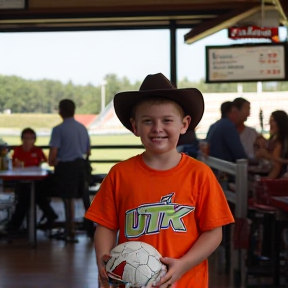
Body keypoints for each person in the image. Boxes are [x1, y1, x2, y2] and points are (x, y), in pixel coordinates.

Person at [85, 73, 234, 288]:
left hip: (186, 282)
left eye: (167, 120)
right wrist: (104, 259)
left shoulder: (199, 174)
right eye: (148, 121)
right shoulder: (120, 174)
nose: (157, 128)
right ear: (135, 126)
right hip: (130, 282)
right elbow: (106, 227)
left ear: (184, 125)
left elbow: (213, 232)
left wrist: (183, 264)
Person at [48, 99, 91, 243]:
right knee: (83, 197)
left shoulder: (58, 129)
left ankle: (70, 229)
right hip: (80, 166)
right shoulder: (82, 128)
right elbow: (87, 150)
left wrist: (52, 161)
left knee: (68, 199)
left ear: (61, 111)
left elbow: (53, 153)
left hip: (65, 167)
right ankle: (89, 227)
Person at [3, 128, 58, 232]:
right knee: (30, 196)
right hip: (22, 180)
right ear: (22, 139)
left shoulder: (38, 151)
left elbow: (45, 163)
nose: (27, 141)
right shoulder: (18, 150)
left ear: (34, 139)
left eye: (30, 138)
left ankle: (14, 225)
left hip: (37, 181)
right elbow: (13, 163)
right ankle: (49, 215)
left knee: (27, 198)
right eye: (25, 138)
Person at [255, 110, 288, 179]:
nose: (270, 123)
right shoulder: (273, 139)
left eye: (273, 121)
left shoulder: (281, 142)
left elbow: (277, 164)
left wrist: (267, 155)